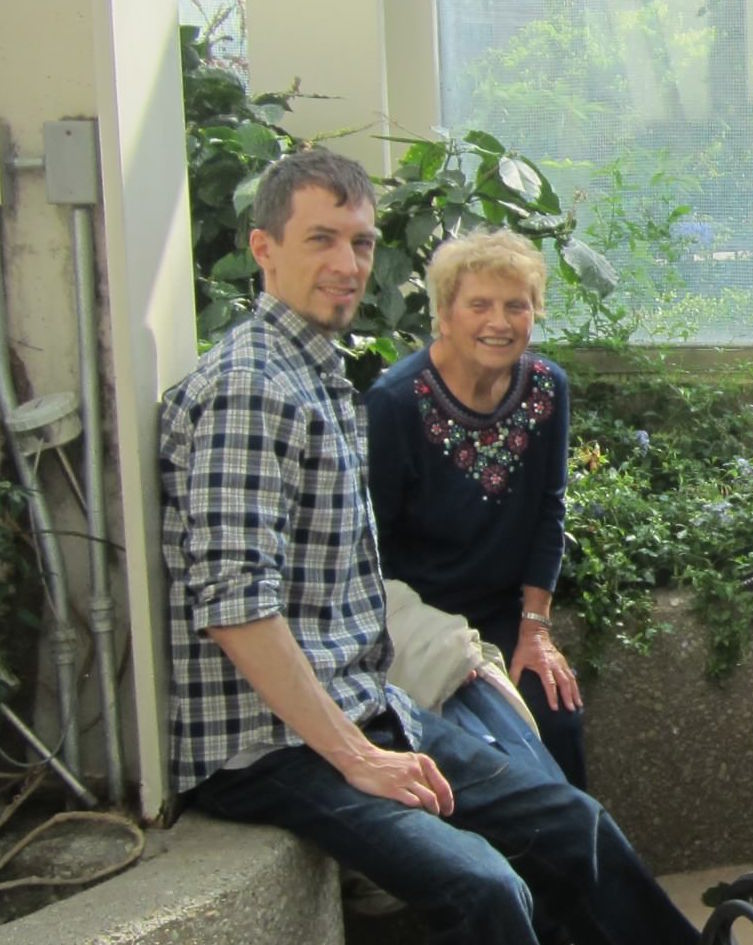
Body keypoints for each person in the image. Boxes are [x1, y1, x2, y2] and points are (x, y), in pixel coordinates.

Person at [158, 148, 695, 945]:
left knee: (572, 822)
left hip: (365, 701)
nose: (348, 264)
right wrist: (356, 754)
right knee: (486, 888)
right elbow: (235, 604)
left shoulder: (315, 374)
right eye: (321, 239)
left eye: (361, 242)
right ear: (262, 247)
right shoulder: (252, 387)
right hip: (267, 745)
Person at [366, 230, 587, 787]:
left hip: (505, 617)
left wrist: (535, 630)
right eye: (479, 305)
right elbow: (370, 545)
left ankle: (570, 845)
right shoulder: (394, 403)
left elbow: (549, 511)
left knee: (557, 717)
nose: (499, 322)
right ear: (444, 315)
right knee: (475, 748)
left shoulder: (546, 388)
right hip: (418, 621)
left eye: (516, 306)